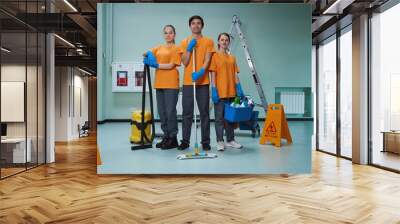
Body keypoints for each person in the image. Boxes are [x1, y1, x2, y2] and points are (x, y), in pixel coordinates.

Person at [178, 15, 215, 151]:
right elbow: (185, 62)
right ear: (190, 26)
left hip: (203, 82)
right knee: (187, 113)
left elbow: (207, 60)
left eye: (198, 23)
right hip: (188, 82)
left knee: (204, 112)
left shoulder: (208, 41)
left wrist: (200, 72)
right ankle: (185, 141)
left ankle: (205, 141)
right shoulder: (184, 41)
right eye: (193, 23)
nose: (196, 25)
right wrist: (188, 48)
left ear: (202, 25)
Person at [143, 25, 181, 149]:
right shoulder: (159, 47)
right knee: (162, 112)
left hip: (171, 83)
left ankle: (173, 138)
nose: (168, 35)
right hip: (159, 83)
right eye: (166, 33)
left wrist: (156, 64)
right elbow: (145, 53)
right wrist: (148, 54)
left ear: (174, 34)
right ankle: (166, 136)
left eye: (170, 32)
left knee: (170, 112)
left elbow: (171, 65)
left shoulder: (176, 48)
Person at [209, 32, 244, 151]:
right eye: (222, 40)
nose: (224, 42)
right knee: (219, 118)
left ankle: (230, 140)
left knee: (230, 118)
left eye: (226, 40)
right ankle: (220, 141)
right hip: (220, 92)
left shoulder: (232, 58)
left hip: (232, 92)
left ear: (229, 42)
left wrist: (239, 88)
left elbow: (235, 74)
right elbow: (213, 74)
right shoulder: (215, 56)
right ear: (218, 42)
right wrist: (214, 89)